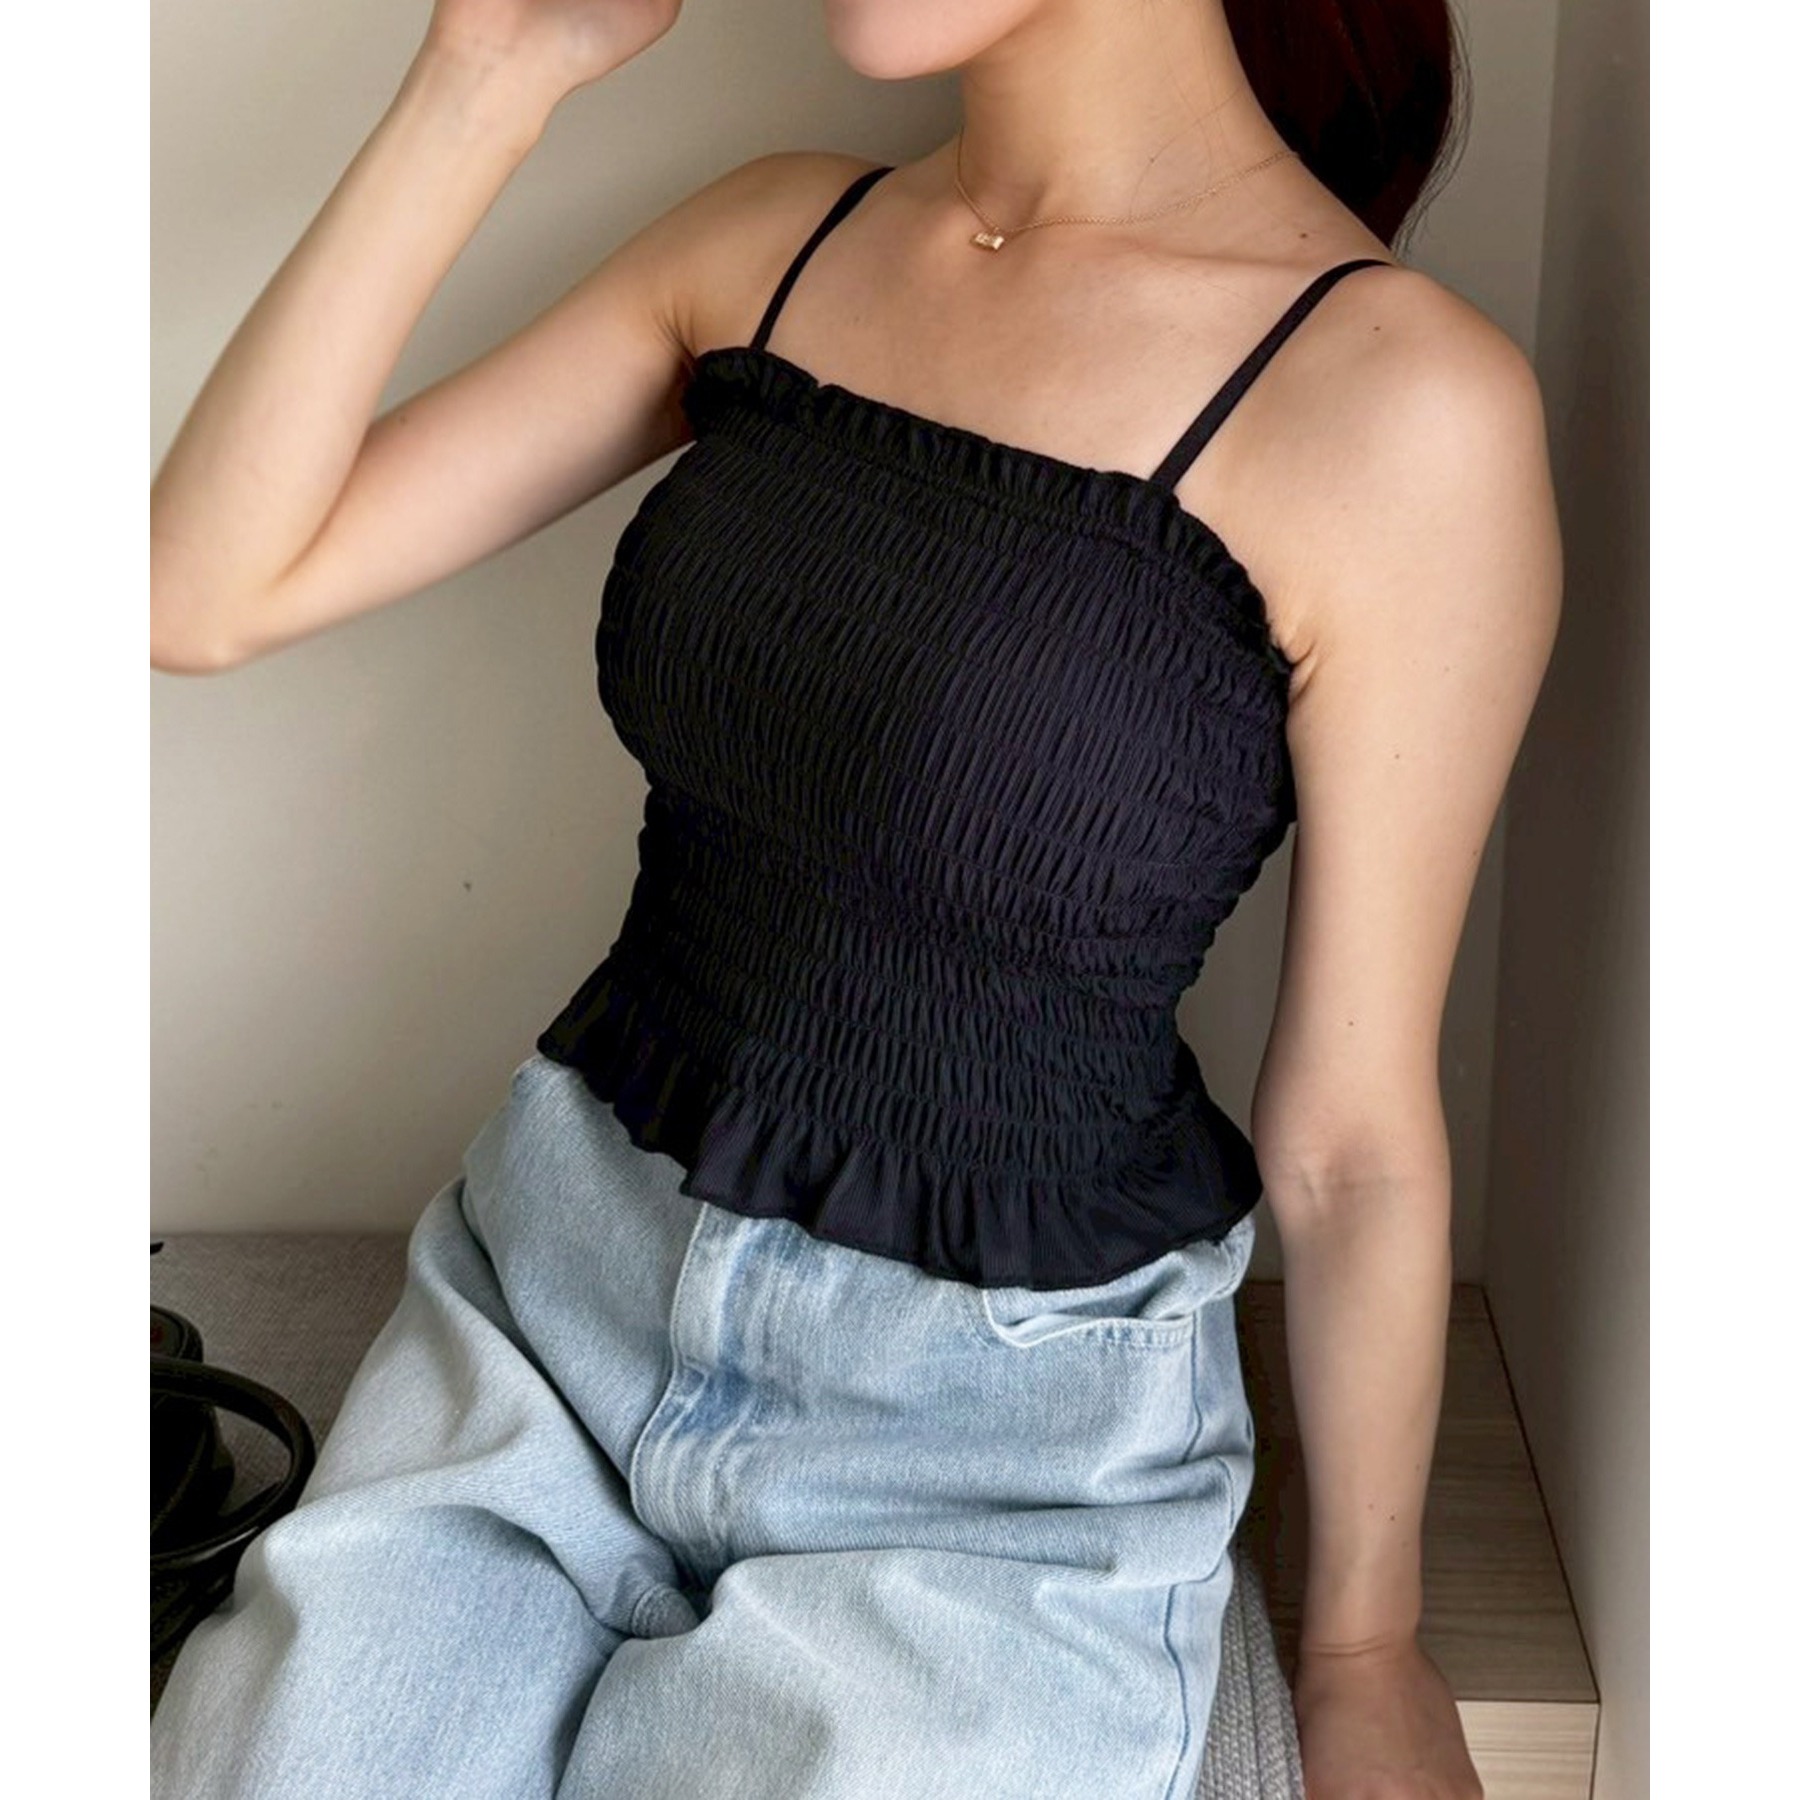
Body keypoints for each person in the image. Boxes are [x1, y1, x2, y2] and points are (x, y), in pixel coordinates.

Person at [149, 1, 1561, 1796]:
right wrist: (489, 68)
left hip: (992, 1462)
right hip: (546, 1316)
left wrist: (1364, 1641)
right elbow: (201, 593)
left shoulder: (1403, 406)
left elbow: (1353, 1135)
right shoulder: (775, 238)